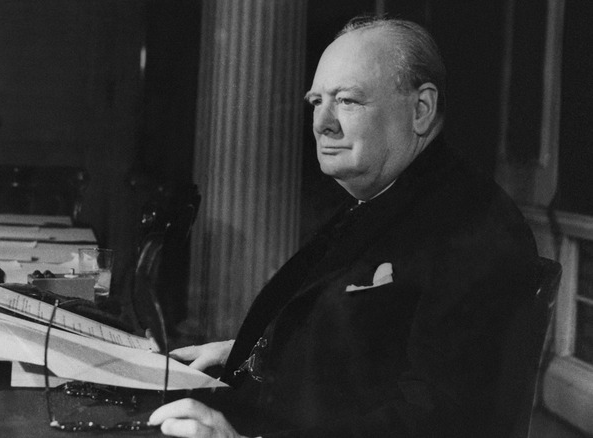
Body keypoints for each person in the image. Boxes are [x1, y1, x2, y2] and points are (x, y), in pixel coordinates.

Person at [148, 16, 538, 438]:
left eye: (348, 101)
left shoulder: (472, 225)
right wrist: (253, 350)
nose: (322, 123)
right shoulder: (384, 196)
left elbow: (441, 419)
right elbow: (364, 343)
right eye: (317, 102)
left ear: (421, 109)